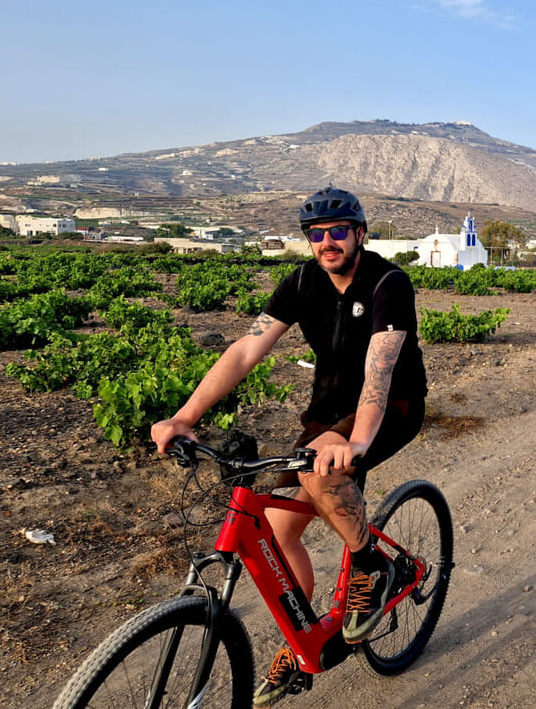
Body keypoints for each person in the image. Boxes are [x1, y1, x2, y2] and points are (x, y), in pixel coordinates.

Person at [150, 186, 427, 707]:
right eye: (316, 234)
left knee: (322, 473)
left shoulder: (389, 282)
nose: (326, 242)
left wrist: (359, 440)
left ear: (359, 235)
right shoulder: (302, 281)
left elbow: (381, 368)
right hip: (327, 412)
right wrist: (185, 417)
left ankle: (373, 565)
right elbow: (246, 349)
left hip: (390, 406)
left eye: (337, 232)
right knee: (276, 531)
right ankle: (304, 644)